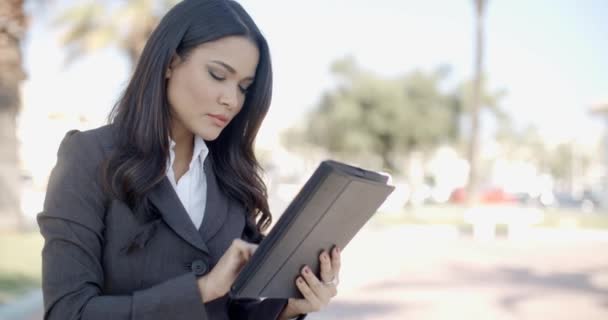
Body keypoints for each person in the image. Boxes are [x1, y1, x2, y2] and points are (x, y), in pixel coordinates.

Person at [37, 0, 341, 319]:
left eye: (243, 87)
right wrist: (203, 289)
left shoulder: (231, 176)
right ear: (170, 62)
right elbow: (67, 311)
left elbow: (234, 311)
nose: (232, 100)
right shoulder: (89, 156)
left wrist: (289, 308)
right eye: (217, 75)